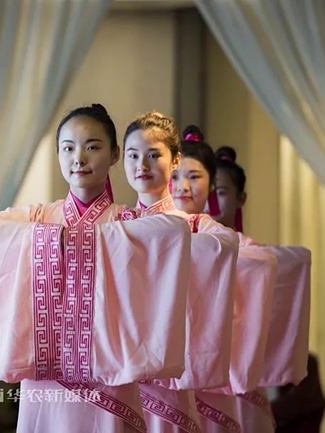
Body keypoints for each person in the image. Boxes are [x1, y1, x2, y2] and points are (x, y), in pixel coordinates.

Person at [0, 104, 193, 433]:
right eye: (68, 148)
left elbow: (174, 231)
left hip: (109, 384)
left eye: (92, 147)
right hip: (44, 385)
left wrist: (81, 241)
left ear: (114, 154)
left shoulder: (128, 223)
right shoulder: (38, 218)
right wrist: (47, 239)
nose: (79, 158)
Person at [122, 111, 239, 432]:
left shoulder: (198, 227)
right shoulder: (115, 224)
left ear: (175, 160)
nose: (142, 165)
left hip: (170, 379)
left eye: (153, 155)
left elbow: (226, 246)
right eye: (133, 155)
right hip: (120, 375)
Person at [172, 126, 278, 433]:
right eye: (176, 177)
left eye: (195, 177)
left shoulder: (232, 244)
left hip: (219, 369)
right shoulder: (158, 231)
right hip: (171, 373)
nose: (183, 186)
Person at [213, 147, 317, 433]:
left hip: (242, 381)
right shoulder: (184, 247)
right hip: (195, 379)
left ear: (241, 197)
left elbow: (296, 262)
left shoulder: (257, 256)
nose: (211, 201)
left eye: (220, 192)